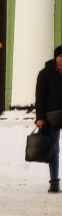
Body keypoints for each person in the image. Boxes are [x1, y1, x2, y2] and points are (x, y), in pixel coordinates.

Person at [36, 45, 62, 194]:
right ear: (55, 57)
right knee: (54, 149)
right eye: (60, 56)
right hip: (53, 115)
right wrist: (40, 117)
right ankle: (54, 182)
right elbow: (40, 97)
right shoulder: (45, 74)